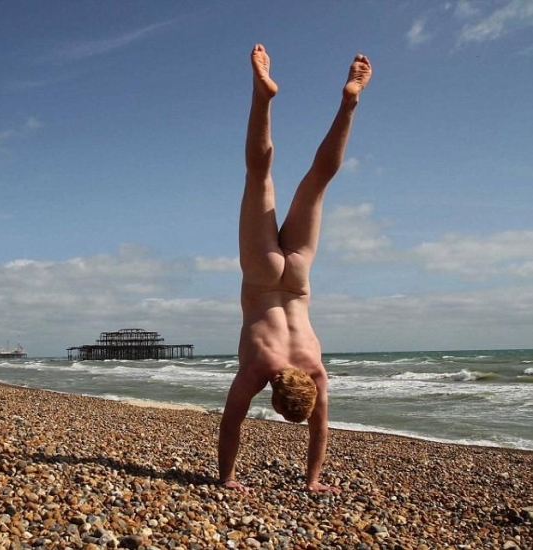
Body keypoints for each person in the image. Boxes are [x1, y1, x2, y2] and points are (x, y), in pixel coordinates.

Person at [218, 44, 372, 494]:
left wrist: (314, 480)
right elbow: (231, 425)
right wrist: (226, 477)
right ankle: (261, 97)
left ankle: (348, 104)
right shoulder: (257, 370)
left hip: (298, 275)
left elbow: (320, 427)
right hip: (262, 276)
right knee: (258, 176)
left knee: (316, 183)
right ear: (275, 393)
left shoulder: (316, 368)